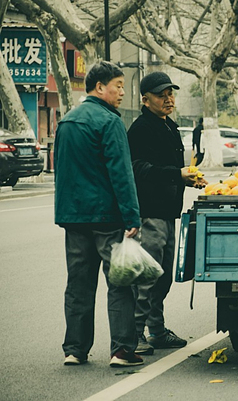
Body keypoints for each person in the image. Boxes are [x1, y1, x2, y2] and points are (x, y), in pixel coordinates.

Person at [54, 61, 144, 368]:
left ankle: (75, 349)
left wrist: (64, 212)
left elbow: (62, 174)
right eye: (117, 85)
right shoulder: (109, 122)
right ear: (99, 87)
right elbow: (122, 174)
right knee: (120, 283)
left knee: (78, 284)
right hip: (107, 218)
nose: (121, 92)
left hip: (74, 218)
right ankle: (121, 350)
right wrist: (132, 218)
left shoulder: (67, 122)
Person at [127, 72, 205, 355]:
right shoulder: (140, 129)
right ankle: (134, 335)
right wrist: (177, 174)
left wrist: (188, 178)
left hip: (168, 212)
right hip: (150, 213)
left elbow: (172, 171)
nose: (169, 99)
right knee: (147, 277)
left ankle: (157, 331)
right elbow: (139, 169)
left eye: (171, 93)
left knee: (163, 277)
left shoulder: (168, 126)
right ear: (146, 100)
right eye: (162, 95)